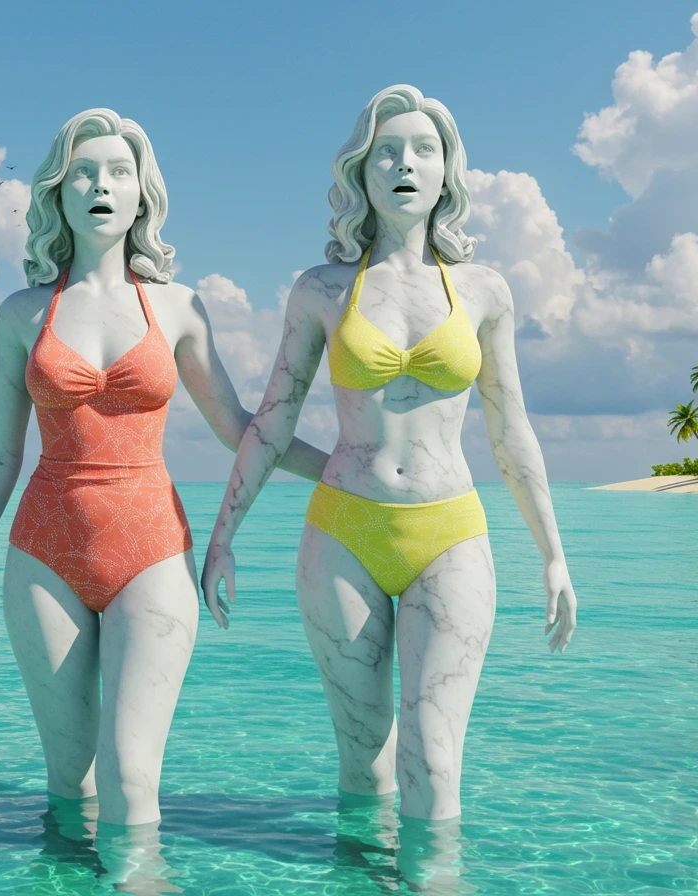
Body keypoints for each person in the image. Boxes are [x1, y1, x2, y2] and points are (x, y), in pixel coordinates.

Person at [0, 108, 328, 827]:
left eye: (119, 172)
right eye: (83, 172)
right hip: (42, 555)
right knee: (69, 781)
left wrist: (338, 472)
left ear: (143, 192)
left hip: (153, 551)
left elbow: (239, 427)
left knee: (131, 777)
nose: (100, 185)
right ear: (57, 191)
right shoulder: (22, 315)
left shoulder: (179, 308)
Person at [202, 85, 578, 822]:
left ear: (447, 173)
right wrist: (222, 537)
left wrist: (554, 553)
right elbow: (272, 423)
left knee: (435, 764)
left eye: (423, 151)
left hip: (452, 534)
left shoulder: (484, 291)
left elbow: (511, 430)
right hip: (343, 530)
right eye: (387, 152)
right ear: (361, 172)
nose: (405, 164)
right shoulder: (321, 290)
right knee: (363, 759)